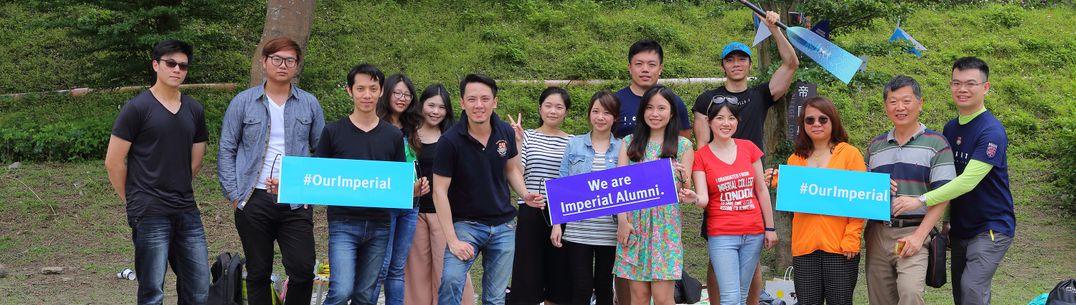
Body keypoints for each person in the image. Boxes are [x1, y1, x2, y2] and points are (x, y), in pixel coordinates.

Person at [691, 11, 798, 304]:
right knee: (718, 258)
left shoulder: (761, 94)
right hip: (718, 187)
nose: (736, 64)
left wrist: (773, 29)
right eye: (730, 60)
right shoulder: (707, 99)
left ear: (749, 64)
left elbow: (791, 64)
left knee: (753, 269)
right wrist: (702, 184)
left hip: (752, 182)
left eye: (742, 59)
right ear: (723, 65)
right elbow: (701, 144)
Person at [218, 37, 324, 305]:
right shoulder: (242, 102)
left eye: (289, 60)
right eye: (276, 59)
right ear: (264, 62)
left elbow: (322, 150)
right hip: (253, 198)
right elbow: (226, 149)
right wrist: (235, 195)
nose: (282, 65)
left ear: (297, 66)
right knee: (258, 272)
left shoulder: (309, 103)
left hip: (295, 201)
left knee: (302, 270)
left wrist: (310, 190)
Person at [104, 39, 210, 305]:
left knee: (198, 289)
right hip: (149, 212)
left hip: (186, 209)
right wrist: (133, 200)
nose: (177, 69)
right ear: (156, 65)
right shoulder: (137, 108)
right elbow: (114, 161)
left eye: (183, 65)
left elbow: (195, 160)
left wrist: (177, 184)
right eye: (171, 63)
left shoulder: (194, 109)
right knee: (152, 291)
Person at [901, 57, 1014, 305]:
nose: (962, 89)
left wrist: (919, 200)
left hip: (990, 227)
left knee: (972, 288)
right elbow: (946, 178)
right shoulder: (950, 128)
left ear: (985, 87)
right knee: (961, 295)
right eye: (956, 83)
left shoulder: (991, 131)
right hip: (961, 228)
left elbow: (966, 182)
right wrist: (948, 221)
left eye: (970, 83)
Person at [315, 64, 429, 305]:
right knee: (341, 290)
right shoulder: (332, 132)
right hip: (343, 223)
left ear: (380, 92)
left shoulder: (392, 136)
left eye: (373, 89)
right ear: (350, 91)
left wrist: (413, 190)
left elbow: (397, 182)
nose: (366, 95)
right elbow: (317, 178)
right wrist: (286, 186)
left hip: (380, 224)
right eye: (360, 89)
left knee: (366, 296)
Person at [433, 74, 545, 305]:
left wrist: (524, 194)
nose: (479, 105)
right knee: (451, 281)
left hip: (503, 225)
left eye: (485, 99)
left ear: (495, 102)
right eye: (472, 99)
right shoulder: (449, 141)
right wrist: (452, 240)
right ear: (462, 103)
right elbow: (439, 192)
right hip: (466, 226)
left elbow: (512, 169)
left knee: (495, 298)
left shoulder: (504, 131)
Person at [763, 96, 863, 305]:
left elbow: (859, 199)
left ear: (833, 121)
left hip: (840, 247)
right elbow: (796, 195)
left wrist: (852, 236)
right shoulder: (795, 159)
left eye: (822, 119)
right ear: (803, 124)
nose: (816, 124)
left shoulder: (849, 154)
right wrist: (777, 180)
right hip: (805, 247)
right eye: (810, 120)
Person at [865, 76, 954, 305]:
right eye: (893, 101)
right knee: (879, 299)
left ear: (920, 103)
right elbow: (861, 193)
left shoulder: (937, 143)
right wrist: (874, 186)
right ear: (886, 106)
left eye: (906, 101)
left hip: (914, 231)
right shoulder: (875, 147)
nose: (900, 107)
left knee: (911, 294)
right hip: (877, 232)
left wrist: (919, 236)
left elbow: (944, 195)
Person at [690, 101, 778, 305]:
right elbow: (703, 198)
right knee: (730, 297)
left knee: (742, 293)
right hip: (722, 234)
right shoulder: (700, 156)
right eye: (719, 118)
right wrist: (694, 198)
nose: (725, 123)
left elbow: (761, 190)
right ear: (709, 122)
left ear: (737, 122)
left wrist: (770, 227)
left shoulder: (749, 148)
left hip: (753, 232)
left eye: (731, 118)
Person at [613, 85, 695, 305]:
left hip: (665, 228)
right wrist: (622, 220)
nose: (655, 114)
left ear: (672, 112)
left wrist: (686, 186)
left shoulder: (684, 146)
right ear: (642, 111)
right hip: (634, 224)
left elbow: (685, 191)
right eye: (649, 107)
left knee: (662, 298)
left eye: (661, 108)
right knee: (638, 297)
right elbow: (619, 187)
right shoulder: (629, 143)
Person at [402, 84, 476, 305]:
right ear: (421, 105)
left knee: (448, 270)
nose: (435, 111)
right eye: (431, 105)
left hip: (445, 214)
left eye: (441, 107)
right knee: (416, 272)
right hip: (414, 212)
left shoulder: (454, 136)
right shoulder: (407, 135)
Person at [550, 90, 622, 305]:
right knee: (580, 287)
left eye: (607, 112)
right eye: (596, 111)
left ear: (615, 117)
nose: (601, 117)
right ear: (589, 114)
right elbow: (561, 184)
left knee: (604, 288)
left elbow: (628, 189)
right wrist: (557, 225)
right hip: (577, 230)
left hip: (609, 231)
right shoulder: (574, 144)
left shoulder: (623, 147)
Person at [505, 87, 573, 305]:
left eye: (559, 107)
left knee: (558, 273)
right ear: (540, 108)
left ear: (566, 112)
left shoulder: (573, 142)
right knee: (527, 272)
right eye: (548, 105)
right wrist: (517, 141)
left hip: (561, 213)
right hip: (531, 210)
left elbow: (572, 180)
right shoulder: (527, 137)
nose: (553, 111)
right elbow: (518, 172)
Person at [373, 73, 420, 305]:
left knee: (397, 268)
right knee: (380, 266)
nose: (402, 98)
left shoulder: (412, 126)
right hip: (385, 202)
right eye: (397, 93)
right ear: (387, 93)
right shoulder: (376, 124)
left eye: (407, 94)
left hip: (411, 204)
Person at [613, 39, 692, 139]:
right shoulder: (615, 102)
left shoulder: (674, 102)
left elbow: (684, 144)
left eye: (652, 64)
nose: (645, 69)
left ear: (660, 69)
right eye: (639, 64)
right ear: (630, 68)